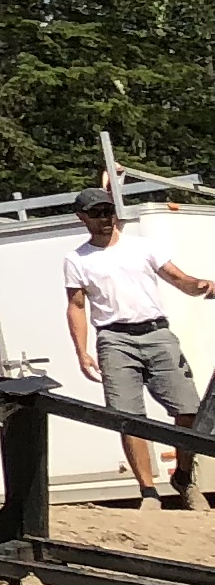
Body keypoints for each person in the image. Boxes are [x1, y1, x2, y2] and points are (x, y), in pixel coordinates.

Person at [62, 187, 215, 508]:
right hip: (114, 339)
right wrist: (82, 351)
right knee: (128, 417)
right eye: (97, 213)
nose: (105, 218)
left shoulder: (142, 247)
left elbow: (179, 279)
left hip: (157, 333)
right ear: (82, 218)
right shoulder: (77, 259)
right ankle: (148, 491)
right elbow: (76, 305)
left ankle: (184, 476)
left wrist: (200, 286)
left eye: (108, 211)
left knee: (188, 410)